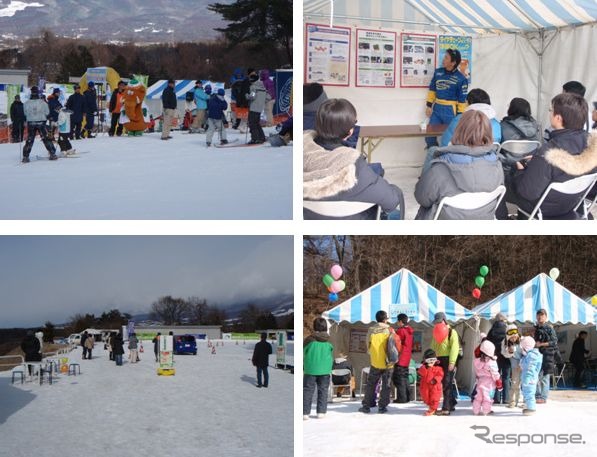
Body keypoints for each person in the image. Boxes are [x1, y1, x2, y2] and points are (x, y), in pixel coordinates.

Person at [303, 98, 403, 220]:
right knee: (395, 211)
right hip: (349, 230)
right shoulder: (354, 167)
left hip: (309, 226)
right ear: (350, 131)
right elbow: (391, 201)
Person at [501, 93, 596, 219]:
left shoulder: (548, 153)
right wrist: (536, 163)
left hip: (542, 208)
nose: (549, 113)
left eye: (550, 110)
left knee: (503, 183)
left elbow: (527, 193)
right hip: (572, 202)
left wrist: (519, 171)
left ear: (558, 118)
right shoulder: (592, 147)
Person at [415, 110, 505, 219]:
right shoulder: (497, 166)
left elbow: (421, 198)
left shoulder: (440, 169)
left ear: (458, 131)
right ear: (489, 133)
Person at [425, 48, 468, 147]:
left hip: (451, 111)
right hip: (437, 109)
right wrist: (429, 105)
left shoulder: (461, 79)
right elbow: (432, 89)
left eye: (446, 58)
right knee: (429, 136)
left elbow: (462, 100)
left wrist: (460, 116)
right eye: (444, 57)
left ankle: (445, 159)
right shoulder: (438, 72)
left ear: (453, 62)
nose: (443, 60)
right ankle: (434, 154)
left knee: (450, 139)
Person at [359, 310, 392, 414]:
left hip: (375, 361)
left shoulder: (371, 330)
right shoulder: (389, 330)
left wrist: (373, 354)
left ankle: (366, 406)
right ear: (385, 319)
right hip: (388, 362)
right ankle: (382, 407)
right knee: (386, 385)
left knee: (371, 384)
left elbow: (367, 345)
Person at [430, 312, 460, 415]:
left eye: (439, 321)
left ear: (444, 320)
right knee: (443, 382)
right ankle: (451, 403)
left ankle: (446, 408)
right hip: (438, 359)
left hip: (448, 359)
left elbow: (455, 348)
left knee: (447, 383)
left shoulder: (452, 332)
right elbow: (433, 346)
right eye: (436, 322)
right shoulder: (435, 331)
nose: (437, 324)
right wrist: (432, 359)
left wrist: (452, 362)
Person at [303, 317, 334, 420]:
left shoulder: (309, 339)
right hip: (325, 369)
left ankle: (305, 412)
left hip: (310, 369)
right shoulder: (329, 340)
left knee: (308, 391)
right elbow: (331, 352)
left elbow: (304, 352)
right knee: (323, 390)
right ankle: (321, 412)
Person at [21, 86, 58, 163]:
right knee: (46, 138)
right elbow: (47, 113)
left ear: (31, 92)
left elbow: (25, 113)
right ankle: (52, 153)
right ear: (38, 93)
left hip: (31, 122)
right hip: (41, 122)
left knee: (30, 139)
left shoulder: (26, 103)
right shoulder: (43, 103)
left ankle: (25, 156)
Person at [534, 309, 558, 403]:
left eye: (542, 315)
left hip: (547, 355)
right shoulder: (536, 328)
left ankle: (543, 397)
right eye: (538, 315)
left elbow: (554, 342)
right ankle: (537, 395)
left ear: (546, 317)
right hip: (536, 355)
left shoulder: (549, 328)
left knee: (545, 377)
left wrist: (541, 344)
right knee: (535, 376)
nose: (540, 317)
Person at [473, 340, 502, 416]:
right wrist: (498, 380)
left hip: (480, 380)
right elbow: (495, 372)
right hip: (490, 383)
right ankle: (486, 410)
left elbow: (477, 371)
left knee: (478, 397)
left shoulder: (477, 361)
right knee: (488, 397)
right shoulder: (491, 362)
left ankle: (476, 410)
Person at [486, 313, 509, 404]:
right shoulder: (507, 329)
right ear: (503, 320)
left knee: (496, 377)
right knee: (506, 377)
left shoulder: (492, 330)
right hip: (506, 356)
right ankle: (506, 399)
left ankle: (496, 398)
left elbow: (487, 343)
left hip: (494, 357)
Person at [392, 313, 414, 403]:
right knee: (405, 378)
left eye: (397, 321)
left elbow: (396, 341)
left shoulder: (401, 331)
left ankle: (402, 398)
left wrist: (393, 333)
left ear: (400, 321)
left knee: (398, 378)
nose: (397, 323)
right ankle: (408, 397)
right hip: (407, 358)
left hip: (401, 358)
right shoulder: (410, 331)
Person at [519, 336, 543, 416]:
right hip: (528, 377)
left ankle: (531, 408)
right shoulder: (529, 355)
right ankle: (528, 406)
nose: (522, 350)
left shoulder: (532, 356)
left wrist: (527, 378)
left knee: (529, 393)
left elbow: (530, 368)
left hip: (529, 378)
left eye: (523, 348)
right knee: (526, 393)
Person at [501, 324, 522, 408]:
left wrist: (522, 363)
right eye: (511, 337)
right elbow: (504, 354)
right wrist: (509, 352)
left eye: (515, 336)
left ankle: (522, 401)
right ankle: (512, 401)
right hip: (515, 366)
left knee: (524, 383)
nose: (513, 338)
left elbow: (527, 352)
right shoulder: (505, 342)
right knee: (514, 383)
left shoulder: (522, 340)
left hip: (524, 365)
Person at [418, 349, 444, 416]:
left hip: (435, 387)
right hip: (426, 386)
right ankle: (431, 408)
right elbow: (420, 372)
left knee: (434, 398)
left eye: (433, 360)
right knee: (426, 397)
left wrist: (435, 380)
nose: (431, 362)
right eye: (429, 360)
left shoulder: (438, 368)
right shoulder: (424, 367)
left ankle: (432, 409)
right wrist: (425, 366)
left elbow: (440, 375)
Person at [246, 71, 268, 144]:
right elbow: (268, 97)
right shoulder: (263, 87)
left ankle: (254, 138)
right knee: (257, 123)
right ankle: (262, 137)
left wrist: (247, 96)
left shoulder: (253, 87)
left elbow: (252, 96)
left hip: (253, 108)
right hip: (259, 108)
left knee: (252, 123)